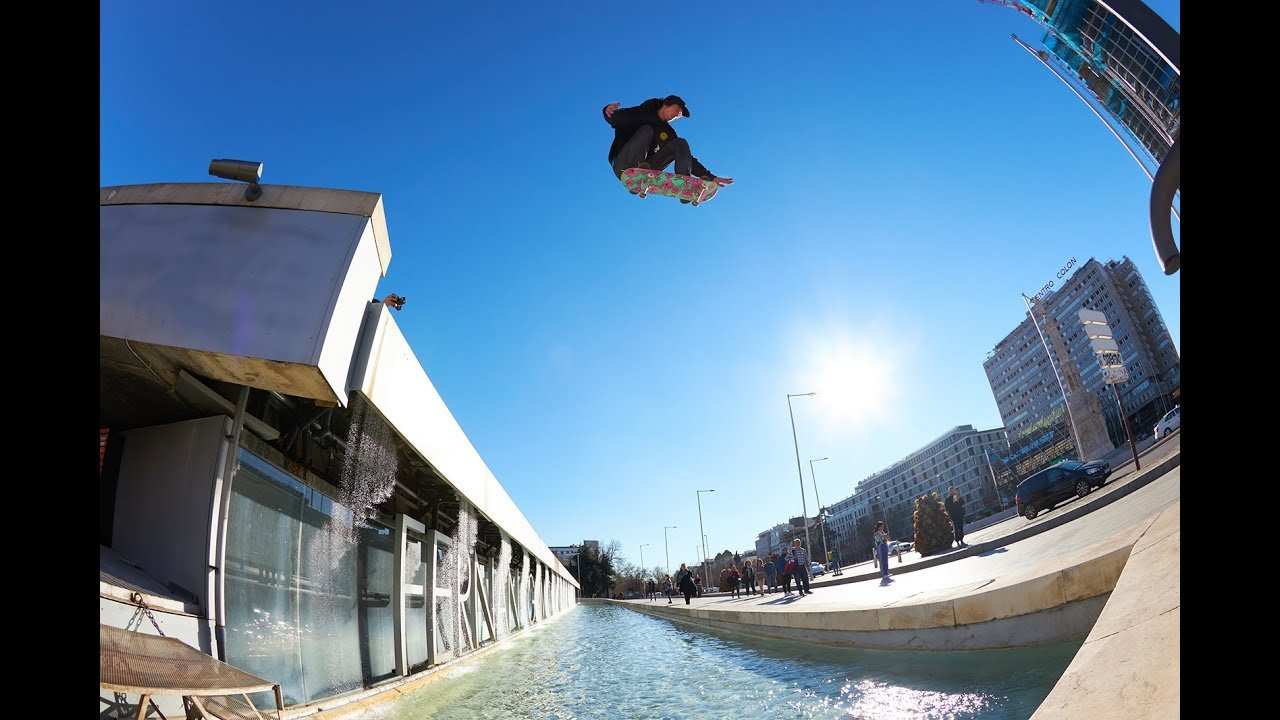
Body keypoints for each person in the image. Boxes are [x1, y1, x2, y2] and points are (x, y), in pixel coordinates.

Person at [601, 95, 733, 198]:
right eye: (676, 110)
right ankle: (637, 168)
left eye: (678, 116)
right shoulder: (642, 112)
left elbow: (687, 157)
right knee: (647, 129)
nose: (676, 116)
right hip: (623, 163)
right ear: (666, 104)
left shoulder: (667, 131)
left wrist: (711, 177)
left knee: (680, 143)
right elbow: (616, 118)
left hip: (646, 167)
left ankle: (684, 182)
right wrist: (607, 109)